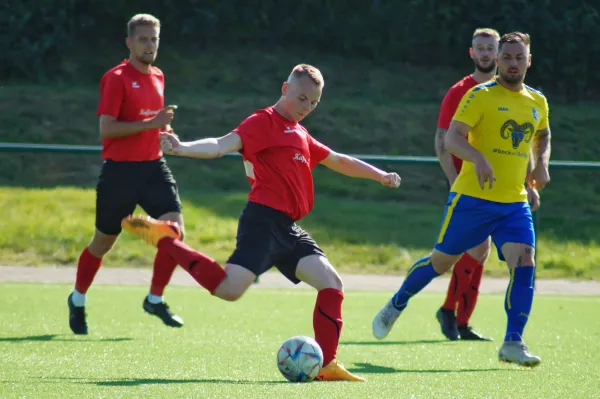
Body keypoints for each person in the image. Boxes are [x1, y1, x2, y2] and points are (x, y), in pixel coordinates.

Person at [122, 64, 401, 381]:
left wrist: (379, 175)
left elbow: (338, 160)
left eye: (313, 103)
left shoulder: (300, 133)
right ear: (285, 89)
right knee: (228, 290)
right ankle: (167, 240)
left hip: (288, 228)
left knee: (331, 284)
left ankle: (326, 366)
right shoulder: (263, 121)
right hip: (263, 221)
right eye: (301, 98)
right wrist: (181, 147)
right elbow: (220, 145)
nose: (306, 107)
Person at [373, 32, 550, 368]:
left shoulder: (537, 101)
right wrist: (478, 157)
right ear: (497, 60)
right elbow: (452, 139)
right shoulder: (478, 95)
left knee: (525, 262)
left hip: (513, 203)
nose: (513, 63)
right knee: (441, 263)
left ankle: (513, 341)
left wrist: (540, 165)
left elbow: (541, 135)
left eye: (519, 57)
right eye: (507, 57)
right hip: (471, 199)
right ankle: (398, 302)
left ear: (529, 60)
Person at [67, 14, 186, 335]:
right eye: (143, 39)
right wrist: (151, 124)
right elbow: (107, 129)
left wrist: (165, 131)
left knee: (175, 233)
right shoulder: (117, 77)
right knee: (102, 244)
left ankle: (155, 298)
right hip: (120, 173)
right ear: (129, 42)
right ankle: (77, 299)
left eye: (154, 39)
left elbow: (155, 120)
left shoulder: (158, 76)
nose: (149, 45)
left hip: (154, 168)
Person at [433, 28, 501, 342]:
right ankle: (451, 313)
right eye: (480, 48)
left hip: (499, 187)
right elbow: (441, 141)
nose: (486, 53)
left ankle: (459, 319)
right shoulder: (459, 90)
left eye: (491, 48)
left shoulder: (509, 92)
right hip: (468, 186)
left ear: (498, 53)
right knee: (476, 248)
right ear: (471, 53)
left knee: (481, 252)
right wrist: (453, 181)